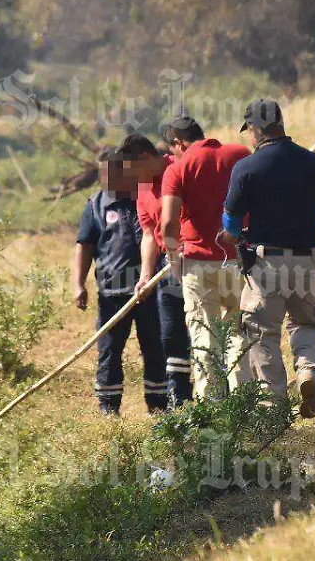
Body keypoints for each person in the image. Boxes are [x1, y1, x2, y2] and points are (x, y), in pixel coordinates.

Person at [219, 99, 315, 418]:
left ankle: (274, 408)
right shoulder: (312, 162)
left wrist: (229, 235)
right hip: (307, 259)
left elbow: (232, 223)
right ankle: (308, 371)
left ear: (254, 128)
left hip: (266, 264)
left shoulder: (246, 168)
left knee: (261, 334)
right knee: (306, 322)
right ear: (280, 121)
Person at [159, 115, 252, 400]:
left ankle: (212, 407)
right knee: (241, 335)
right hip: (240, 260)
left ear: (178, 142)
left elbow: (168, 224)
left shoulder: (178, 169)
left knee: (205, 338)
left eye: (171, 148)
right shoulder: (240, 154)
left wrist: (174, 259)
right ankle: (243, 403)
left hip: (199, 265)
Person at [72, 148, 168, 415]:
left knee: (155, 349)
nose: (104, 178)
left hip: (151, 291)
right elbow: (84, 246)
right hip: (112, 294)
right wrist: (78, 284)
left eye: (110, 172)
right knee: (109, 352)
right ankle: (109, 409)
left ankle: (159, 408)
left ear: (125, 171)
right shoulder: (95, 205)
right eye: (101, 173)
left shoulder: (148, 196)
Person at [116, 133, 193, 408]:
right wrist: (145, 276)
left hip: (197, 258)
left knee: (203, 327)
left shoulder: (181, 167)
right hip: (167, 266)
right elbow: (149, 234)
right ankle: (180, 400)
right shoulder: (143, 189)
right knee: (171, 334)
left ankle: (219, 395)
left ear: (146, 158)